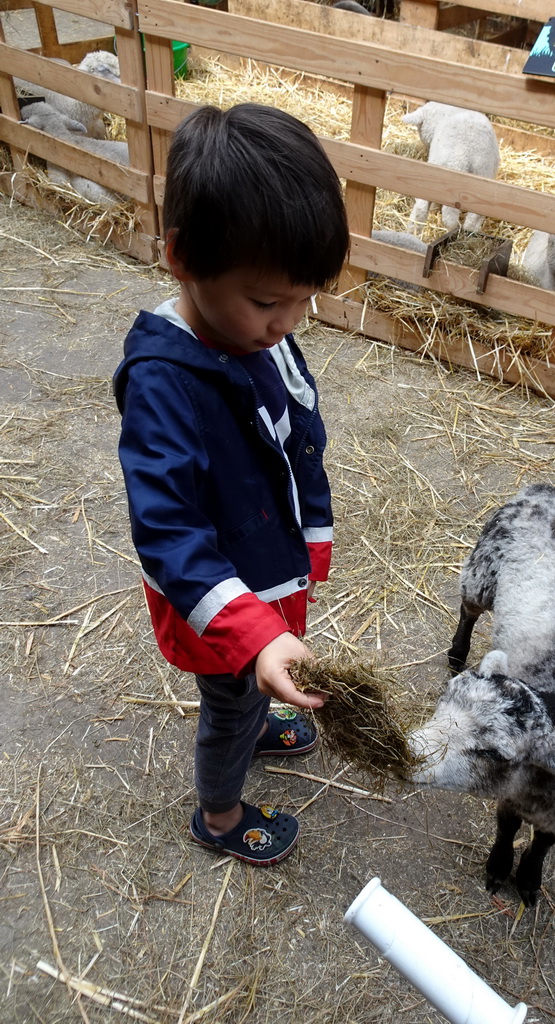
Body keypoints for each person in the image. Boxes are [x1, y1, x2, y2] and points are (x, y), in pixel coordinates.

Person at [113, 103, 349, 866]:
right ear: (182, 257)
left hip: (263, 574)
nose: (290, 320)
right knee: (227, 703)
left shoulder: (264, 336)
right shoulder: (164, 383)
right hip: (219, 607)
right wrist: (252, 634)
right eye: (269, 299)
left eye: (306, 298)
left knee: (252, 689)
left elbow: (299, 439)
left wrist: (311, 539)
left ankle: (258, 702)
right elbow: (169, 532)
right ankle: (219, 815)